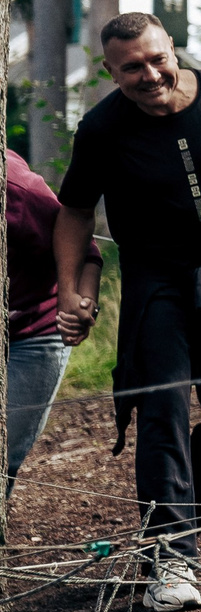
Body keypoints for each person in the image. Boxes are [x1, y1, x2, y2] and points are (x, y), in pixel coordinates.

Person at [54, 13, 201, 612]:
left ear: (172, 49)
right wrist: (68, 290)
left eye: (158, 58)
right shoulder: (103, 129)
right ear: (111, 71)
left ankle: (171, 537)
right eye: (131, 66)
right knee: (161, 408)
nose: (150, 74)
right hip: (156, 283)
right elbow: (74, 211)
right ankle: (171, 556)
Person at [7, 149, 101, 503]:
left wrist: (79, 300)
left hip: (33, 329)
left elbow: (85, 249)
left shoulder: (16, 190)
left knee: (1, 450)